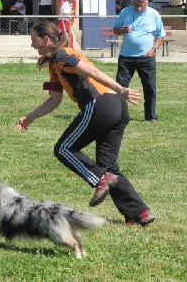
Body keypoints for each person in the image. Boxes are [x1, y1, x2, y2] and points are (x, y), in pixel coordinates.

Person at [17, 21, 155, 226]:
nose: (32, 45)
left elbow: (92, 72)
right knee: (108, 167)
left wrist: (121, 89)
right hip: (116, 107)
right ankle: (138, 212)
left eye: (34, 40)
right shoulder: (56, 62)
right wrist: (31, 116)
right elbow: (55, 100)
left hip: (101, 103)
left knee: (63, 149)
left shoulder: (63, 55)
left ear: (46, 40)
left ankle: (100, 179)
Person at [113, 0, 165, 123]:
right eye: (135, 1)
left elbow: (160, 35)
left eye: (140, 1)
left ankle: (151, 116)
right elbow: (115, 29)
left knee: (149, 87)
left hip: (146, 57)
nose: (137, 4)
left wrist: (153, 49)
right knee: (120, 87)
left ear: (147, 1)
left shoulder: (154, 14)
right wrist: (123, 30)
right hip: (126, 57)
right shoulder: (125, 12)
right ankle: (118, 115)